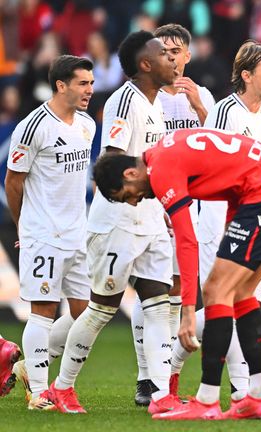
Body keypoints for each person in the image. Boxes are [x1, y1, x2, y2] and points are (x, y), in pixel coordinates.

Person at [91, 127, 261, 420]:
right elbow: (231, 180)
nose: (135, 201)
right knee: (240, 293)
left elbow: (186, 241)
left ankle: (207, 400)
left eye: (127, 196)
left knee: (216, 290)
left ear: (129, 175)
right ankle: (259, 396)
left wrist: (188, 311)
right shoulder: (168, 149)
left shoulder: (161, 170)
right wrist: (234, 222)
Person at [48, 31, 181, 415]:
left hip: (151, 217)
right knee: (101, 308)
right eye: (163, 55)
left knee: (159, 304)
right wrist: (144, 185)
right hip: (119, 220)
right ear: (145, 64)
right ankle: (62, 387)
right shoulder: (127, 100)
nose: (172, 61)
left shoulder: (156, 105)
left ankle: (160, 394)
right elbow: (111, 161)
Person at [168, 40, 261, 417]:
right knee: (229, 301)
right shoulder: (224, 111)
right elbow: (210, 163)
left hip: (255, 220)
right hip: (219, 221)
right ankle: (242, 389)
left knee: (241, 303)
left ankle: (171, 364)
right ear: (246, 75)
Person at [125, 22, 217, 405]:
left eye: (177, 50)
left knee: (177, 290)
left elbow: (216, 148)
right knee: (153, 288)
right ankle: (148, 377)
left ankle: (161, 375)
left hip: (190, 205)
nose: (172, 57)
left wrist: (199, 107)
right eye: (165, 50)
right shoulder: (147, 97)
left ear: (189, 56)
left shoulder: (203, 96)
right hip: (153, 202)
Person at [5, 55, 95, 410]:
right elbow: (14, 180)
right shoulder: (33, 126)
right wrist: (24, 225)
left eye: (90, 82)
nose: (90, 89)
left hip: (77, 232)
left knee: (85, 310)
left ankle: (30, 367)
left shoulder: (86, 125)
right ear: (61, 85)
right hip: (44, 233)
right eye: (82, 83)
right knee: (43, 308)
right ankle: (40, 392)